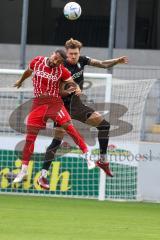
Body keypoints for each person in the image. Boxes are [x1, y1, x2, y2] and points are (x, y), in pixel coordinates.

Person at [37, 38, 128, 190]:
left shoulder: (83, 61)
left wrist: (116, 61)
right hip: (61, 108)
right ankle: (43, 176)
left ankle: (103, 161)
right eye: (71, 54)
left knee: (104, 125)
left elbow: (103, 64)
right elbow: (55, 91)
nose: (73, 56)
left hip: (77, 106)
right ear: (66, 54)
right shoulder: (60, 67)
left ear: (79, 53)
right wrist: (69, 90)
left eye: (76, 53)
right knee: (57, 141)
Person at [13, 49, 90, 184]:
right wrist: (20, 80)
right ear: (52, 53)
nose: (56, 62)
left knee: (68, 126)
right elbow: (28, 72)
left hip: (54, 103)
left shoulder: (61, 70)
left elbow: (71, 81)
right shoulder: (37, 61)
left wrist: (76, 88)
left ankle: (87, 154)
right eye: (56, 58)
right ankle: (23, 170)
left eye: (59, 61)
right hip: (38, 104)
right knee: (30, 138)